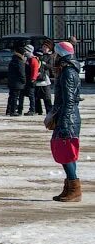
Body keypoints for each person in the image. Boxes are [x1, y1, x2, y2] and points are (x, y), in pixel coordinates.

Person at [47, 40, 82, 202]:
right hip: (68, 116)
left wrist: (64, 121)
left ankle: (74, 188)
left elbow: (68, 100)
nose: (53, 56)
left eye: (55, 53)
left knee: (65, 153)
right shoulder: (67, 70)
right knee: (66, 153)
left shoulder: (68, 72)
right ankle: (70, 186)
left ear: (60, 54)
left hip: (68, 118)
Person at [30, 40, 53, 116]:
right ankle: (38, 110)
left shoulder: (50, 56)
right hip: (37, 78)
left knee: (47, 96)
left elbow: (50, 66)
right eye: (43, 46)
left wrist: (43, 63)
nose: (44, 48)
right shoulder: (38, 54)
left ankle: (49, 110)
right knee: (36, 96)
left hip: (45, 78)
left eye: (46, 47)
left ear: (49, 49)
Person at [5, 46, 26, 117]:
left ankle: (8, 110)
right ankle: (13, 111)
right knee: (15, 97)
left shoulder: (13, 60)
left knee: (11, 96)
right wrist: (24, 81)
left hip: (12, 81)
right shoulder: (20, 61)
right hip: (17, 82)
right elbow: (22, 73)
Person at [22, 44, 38, 115]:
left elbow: (35, 70)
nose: (24, 52)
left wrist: (33, 79)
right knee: (30, 95)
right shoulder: (27, 59)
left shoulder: (33, 59)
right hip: (28, 79)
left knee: (31, 95)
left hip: (31, 80)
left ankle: (32, 109)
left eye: (26, 51)